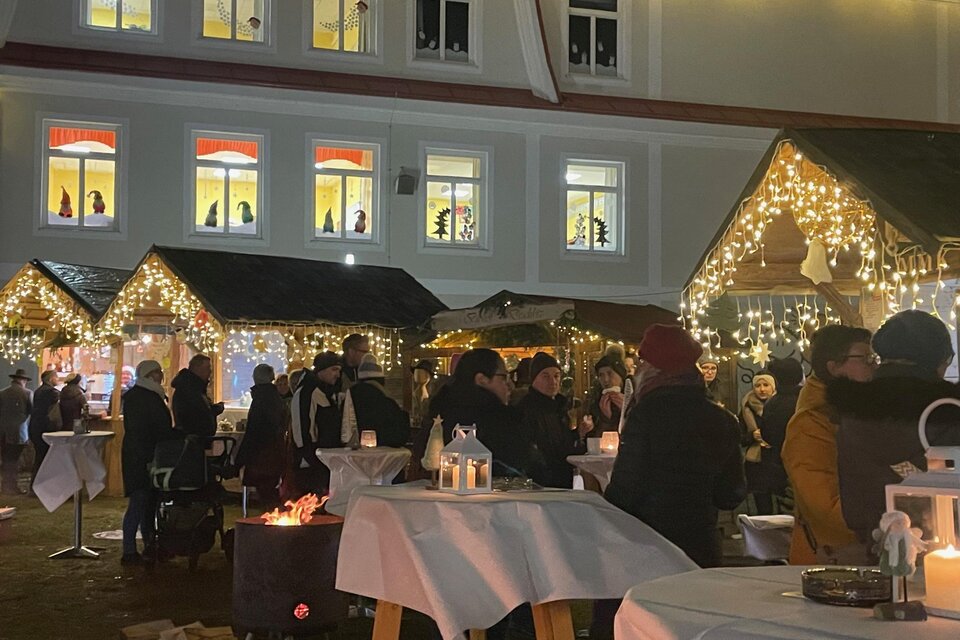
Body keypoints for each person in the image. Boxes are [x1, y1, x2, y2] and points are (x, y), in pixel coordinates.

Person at [606, 324, 745, 568]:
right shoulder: (722, 419)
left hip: (650, 544)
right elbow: (730, 495)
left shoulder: (645, 415)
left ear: (654, 368)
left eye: (643, 362)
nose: (638, 369)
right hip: (701, 547)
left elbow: (625, 488)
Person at [830, 310, 960, 552]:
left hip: (875, 545)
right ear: (937, 359)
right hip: (948, 547)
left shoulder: (852, 409)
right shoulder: (947, 408)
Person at [781, 325, 873, 565]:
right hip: (831, 558)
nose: (874, 365)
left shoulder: (854, 413)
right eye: (864, 358)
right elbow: (824, 506)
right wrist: (883, 522)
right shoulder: (811, 423)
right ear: (834, 367)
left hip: (860, 552)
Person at [418, 348, 528, 477]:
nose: (509, 384)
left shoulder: (440, 411)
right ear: (481, 379)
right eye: (504, 377)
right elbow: (519, 463)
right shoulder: (498, 419)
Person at [120, 360, 172, 565]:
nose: (161, 375)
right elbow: (147, 430)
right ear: (150, 375)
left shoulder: (144, 395)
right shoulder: (145, 397)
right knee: (139, 501)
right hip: (143, 457)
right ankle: (130, 550)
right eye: (158, 372)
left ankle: (148, 545)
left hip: (142, 455)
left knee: (147, 503)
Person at [519, 352, 585, 488]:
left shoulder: (559, 408)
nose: (553, 382)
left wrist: (579, 433)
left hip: (562, 480)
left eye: (556, 376)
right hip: (541, 484)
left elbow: (561, 443)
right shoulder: (526, 409)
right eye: (545, 376)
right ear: (534, 379)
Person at [749, 358, 803, 515]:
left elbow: (768, 435)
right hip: (808, 461)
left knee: (785, 510)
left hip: (780, 462)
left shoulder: (773, 403)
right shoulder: (807, 399)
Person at [290, 351, 342, 495]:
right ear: (321, 370)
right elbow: (301, 428)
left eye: (339, 370)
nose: (337, 375)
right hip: (311, 462)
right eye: (334, 369)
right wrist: (308, 457)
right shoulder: (307, 392)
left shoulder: (325, 392)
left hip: (325, 460)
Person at [235, 364, 287, 509]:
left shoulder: (261, 399)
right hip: (274, 452)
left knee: (267, 494)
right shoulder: (275, 398)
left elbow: (254, 432)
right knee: (270, 492)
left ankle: (272, 526)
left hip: (263, 455)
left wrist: (240, 459)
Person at [342, 355, 410, 449]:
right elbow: (399, 435)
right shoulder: (386, 400)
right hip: (382, 452)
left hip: (351, 451)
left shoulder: (349, 396)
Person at [739, 371, 775, 514]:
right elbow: (739, 437)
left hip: (776, 459)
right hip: (756, 462)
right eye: (758, 385)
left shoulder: (778, 406)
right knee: (762, 504)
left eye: (766, 385)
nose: (762, 389)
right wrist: (752, 436)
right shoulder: (746, 407)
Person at [171, 354, 223, 439]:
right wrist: (214, 410)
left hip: (196, 438)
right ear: (197, 368)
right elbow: (196, 414)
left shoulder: (196, 388)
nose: (210, 371)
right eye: (207, 368)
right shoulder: (189, 388)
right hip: (193, 438)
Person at [0, 369, 32, 495]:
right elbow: (31, 410)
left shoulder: (2, 393)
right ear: (23, 381)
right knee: (14, 459)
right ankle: (11, 486)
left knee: (6, 458)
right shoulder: (27, 393)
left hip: (2, 431)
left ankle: (6, 485)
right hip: (19, 431)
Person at [28, 369, 59, 493]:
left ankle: (34, 486)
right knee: (44, 458)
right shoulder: (52, 393)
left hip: (35, 427)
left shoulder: (38, 391)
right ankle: (41, 487)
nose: (57, 380)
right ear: (51, 379)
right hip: (45, 427)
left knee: (39, 457)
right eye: (56, 377)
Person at [584, 354, 627, 438]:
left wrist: (627, 411)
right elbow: (593, 438)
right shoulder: (595, 403)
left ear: (621, 375)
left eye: (610, 373)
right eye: (601, 375)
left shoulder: (636, 399)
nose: (606, 380)